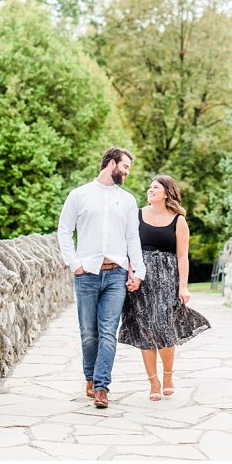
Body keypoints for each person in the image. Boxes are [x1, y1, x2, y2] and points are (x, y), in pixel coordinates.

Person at [57, 146, 145, 409]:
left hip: (116, 274)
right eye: (125, 166)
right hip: (87, 274)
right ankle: (90, 377)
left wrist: (138, 271)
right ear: (111, 164)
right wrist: (74, 264)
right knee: (88, 333)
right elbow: (64, 230)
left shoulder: (127, 200)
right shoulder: (79, 195)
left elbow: (132, 237)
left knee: (108, 332)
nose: (127, 172)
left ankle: (101, 387)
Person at [117, 174, 210, 401]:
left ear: (167, 192)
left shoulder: (179, 220)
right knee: (145, 331)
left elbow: (182, 257)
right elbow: (127, 249)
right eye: (150, 187)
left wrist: (184, 287)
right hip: (142, 279)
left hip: (168, 280)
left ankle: (168, 375)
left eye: (155, 187)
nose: (150, 190)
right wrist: (131, 275)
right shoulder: (136, 215)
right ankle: (153, 382)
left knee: (165, 328)